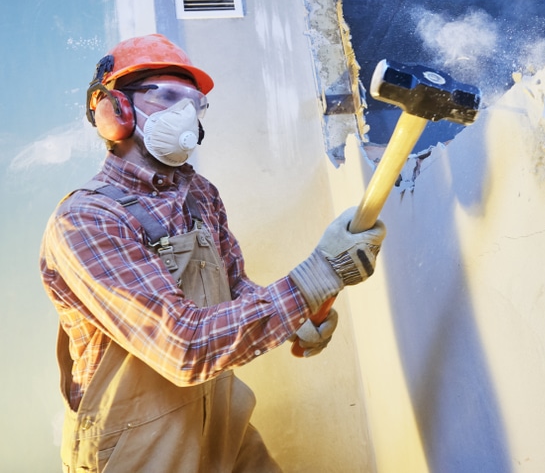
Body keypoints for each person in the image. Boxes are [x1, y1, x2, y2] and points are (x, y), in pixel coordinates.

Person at [39, 34, 385, 472]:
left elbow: (236, 288)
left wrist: (296, 318)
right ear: (112, 109)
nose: (184, 114)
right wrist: (315, 278)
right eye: (165, 96)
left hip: (220, 418)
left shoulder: (200, 194)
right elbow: (183, 346)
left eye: (193, 103)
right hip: (134, 449)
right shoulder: (87, 220)